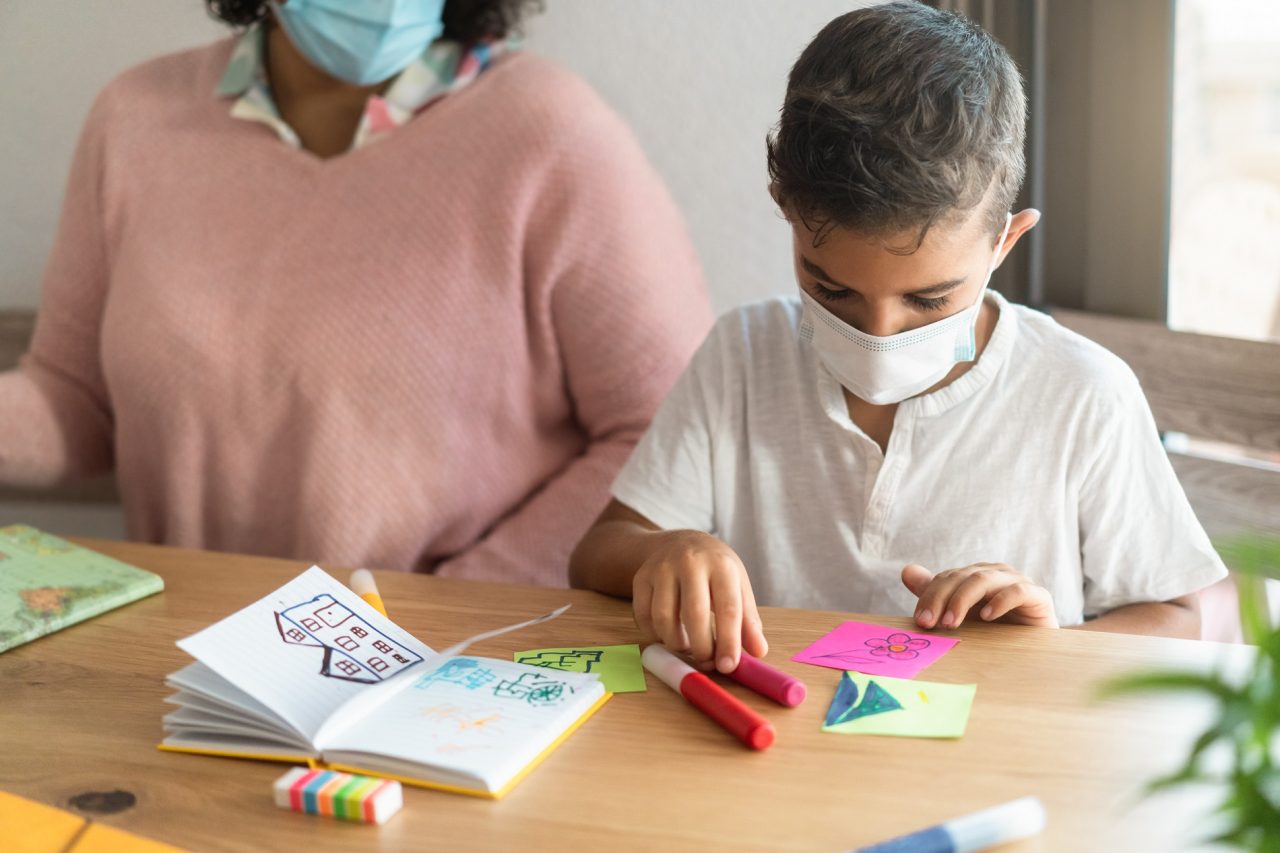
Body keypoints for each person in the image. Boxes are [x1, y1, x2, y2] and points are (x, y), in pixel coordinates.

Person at [570, 2, 1226, 671]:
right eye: (832, 290)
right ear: (786, 211)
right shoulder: (743, 355)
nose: (878, 335)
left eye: (929, 298)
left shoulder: (1083, 393)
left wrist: (1051, 645)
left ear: (1005, 242)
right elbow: (598, 550)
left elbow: (1181, 616)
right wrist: (665, 549)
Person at [0, 0, 711, 584]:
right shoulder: (135, 118)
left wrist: (453, 602)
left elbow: (671, 434)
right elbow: (76, 402)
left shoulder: (555, 136)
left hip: (442, 679)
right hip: (178, 655)